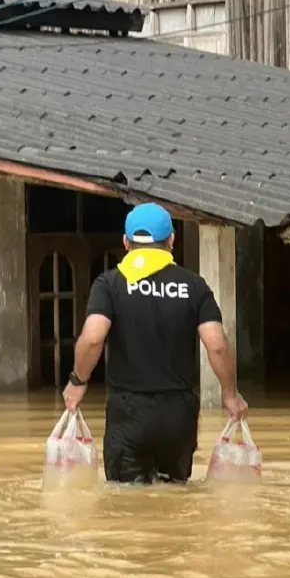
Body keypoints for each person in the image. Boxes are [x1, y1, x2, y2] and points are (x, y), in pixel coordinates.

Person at [62, 202, 247, 484]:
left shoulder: (110, 284)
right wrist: (231, 394)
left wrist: (78, 381)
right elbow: (217, 344)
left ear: (126, 242)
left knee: (128, 504)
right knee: (174, 499)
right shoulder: (194, 285)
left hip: (129, 412)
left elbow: (93, 338)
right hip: (179, 414)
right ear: (172, 240)